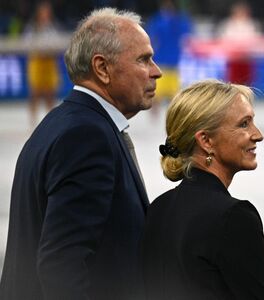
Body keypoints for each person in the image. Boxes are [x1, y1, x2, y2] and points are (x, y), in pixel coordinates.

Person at [0, 8, 161, 300]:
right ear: (102, 68)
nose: (156, 71)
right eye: (143, 59)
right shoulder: (87, 137)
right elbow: (61, 264)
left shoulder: (61, 123)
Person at [142, 79, 264, 299]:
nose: (257, 134)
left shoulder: (158, 209)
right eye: (244, 124)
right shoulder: (234, 218)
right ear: (206, 141)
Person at [146, 0, 193, 118]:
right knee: (157, 93)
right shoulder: (158, 20)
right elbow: (151, 37)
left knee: (173, 93)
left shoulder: (179, 20)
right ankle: (154, 116)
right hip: (162, 60)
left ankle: (173, 115)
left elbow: (187, 35)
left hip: (173, 61)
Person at [23, 1, 62, 127]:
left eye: (47, 11)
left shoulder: (53, 27)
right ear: (39, 13)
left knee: (50, 95)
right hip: (36, 63)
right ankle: (32, 123)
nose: (46, 14)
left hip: (49, 63)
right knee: (34, 94)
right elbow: (25, 43)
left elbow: (57, 44)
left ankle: (50, 122)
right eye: (43, 11)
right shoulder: (32, 28)